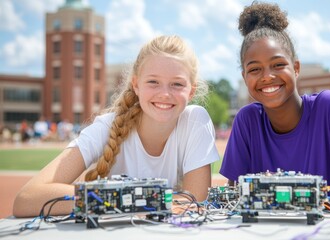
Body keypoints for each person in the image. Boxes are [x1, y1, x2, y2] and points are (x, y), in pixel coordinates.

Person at [13, 35, 220, 217]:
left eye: (177, 84)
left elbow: (194, 202)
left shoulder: (195, 120)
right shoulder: (106, 127)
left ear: (191, 92)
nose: (165, 93)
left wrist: (119, 201)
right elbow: (27, 198)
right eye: (153, 82)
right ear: (136, 84)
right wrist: (122, 200)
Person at [219, 2, 330, 214]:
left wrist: (304, 202)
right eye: (255, 69)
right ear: (244, 78)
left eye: (278, 65)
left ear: (296, 68)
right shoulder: (247, 121)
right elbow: (233, 204)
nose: (267, 76)